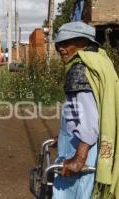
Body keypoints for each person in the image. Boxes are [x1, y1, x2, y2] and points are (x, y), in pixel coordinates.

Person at [53, 22, 119, 198]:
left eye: (68, 42)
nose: (61, 48)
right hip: (88, 144)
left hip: (82, 150)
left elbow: (89, 119)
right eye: (59, 43)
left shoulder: (79, 69)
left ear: (85, 43)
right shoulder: (101, 62)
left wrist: (79, 159)